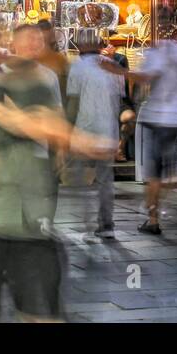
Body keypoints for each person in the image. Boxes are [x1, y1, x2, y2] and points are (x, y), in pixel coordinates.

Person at [0, 23, 114, 322]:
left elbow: (53, 124)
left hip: (25, 224)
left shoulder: (35, 79)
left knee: (36, 310)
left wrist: (33, 128)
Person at [126, 40, 177, 239]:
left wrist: (119, 71)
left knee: (155, 175)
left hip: (163, 121)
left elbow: (145, 77)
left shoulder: (163, 55)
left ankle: (153, 220)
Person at [66, 28, 123, 239]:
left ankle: (87, 223)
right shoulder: (112, 66)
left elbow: (73, 101)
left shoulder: (78, 68)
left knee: (81, 178)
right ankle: (106, 224)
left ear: (80, 46)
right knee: (105, 179)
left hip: (84, 129)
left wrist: (67, 129)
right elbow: (120, 100)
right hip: (108, 130)